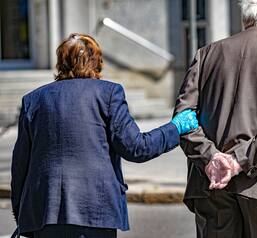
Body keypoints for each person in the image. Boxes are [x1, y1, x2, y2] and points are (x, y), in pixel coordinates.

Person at [11, 33, 198, 238]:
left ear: (60, 63)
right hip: (95, 210)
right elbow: (136, 147)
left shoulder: (33, 100)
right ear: (96, 62)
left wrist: (23, 215)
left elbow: (20, 165)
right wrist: (175, 128)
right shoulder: (108, 93)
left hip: (44, 212)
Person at [174, 0, 257, 237]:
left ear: (245, 18)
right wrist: (238, 161)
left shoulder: (206, 53)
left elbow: (183, 117)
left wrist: (212, 157)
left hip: (211, 183)